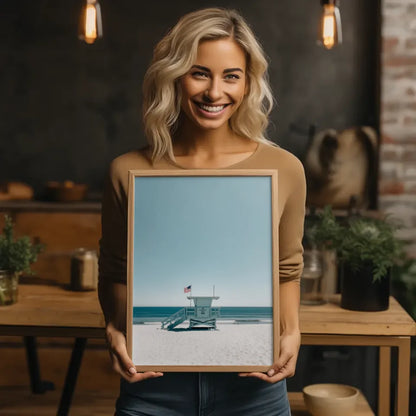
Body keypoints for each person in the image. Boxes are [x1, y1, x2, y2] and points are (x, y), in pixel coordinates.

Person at [99, 7, 306, 416]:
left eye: (231, 76)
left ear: (248, 84)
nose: (215, 93)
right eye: (199, 73)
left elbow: (287, 270)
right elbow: (114, 271)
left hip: (254, 390)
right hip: (152, 389)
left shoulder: (285, 169)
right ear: (174, 76)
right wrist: (113, 328)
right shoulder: (128, 171)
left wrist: (293, 332)